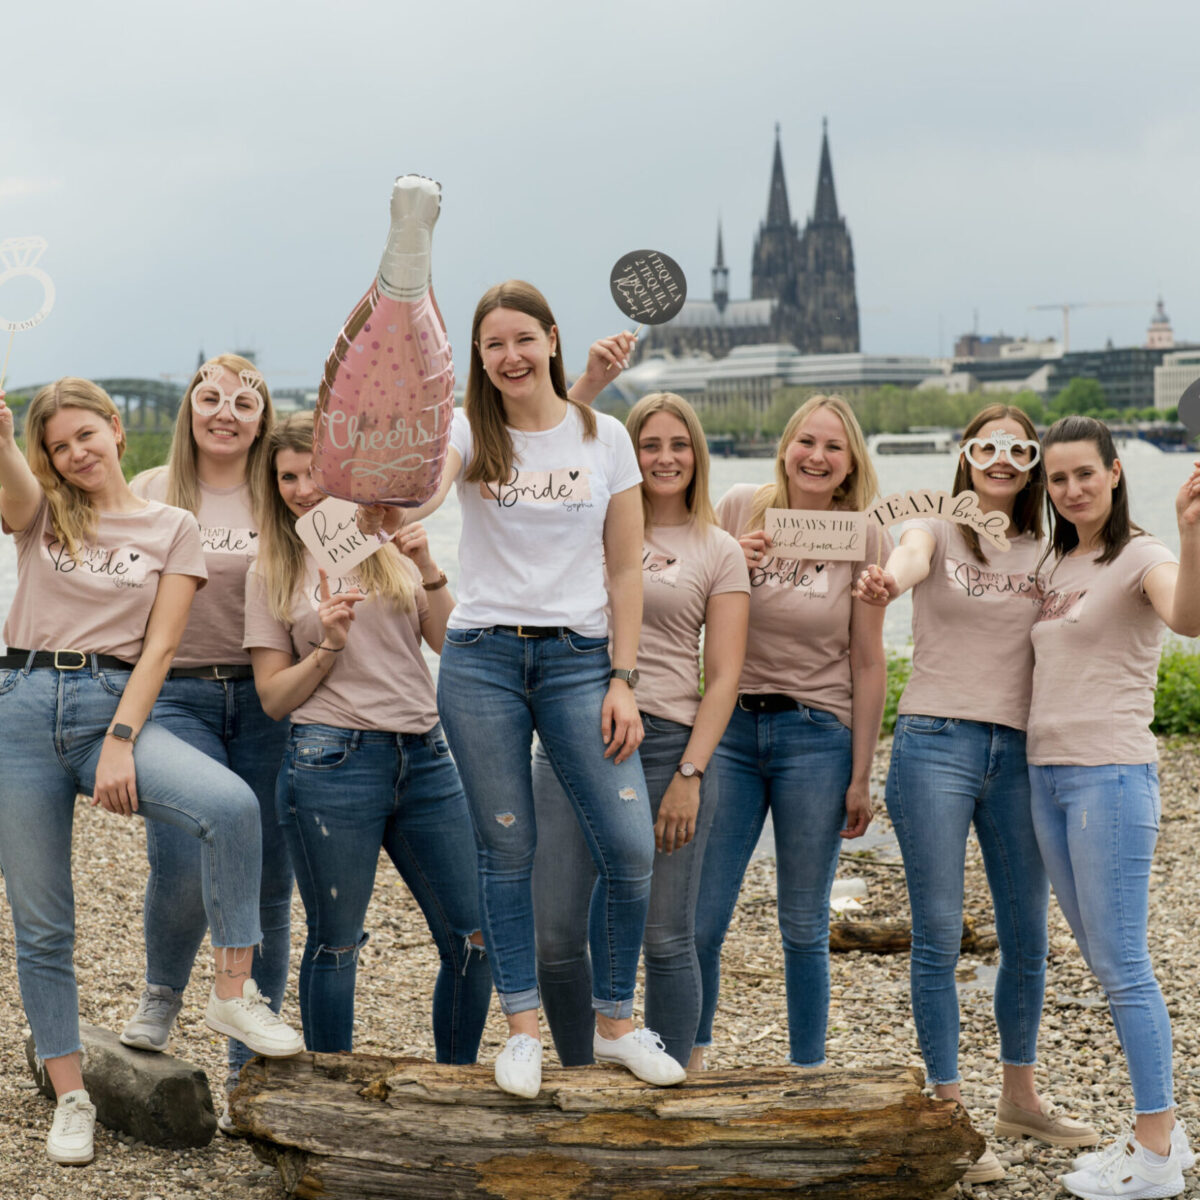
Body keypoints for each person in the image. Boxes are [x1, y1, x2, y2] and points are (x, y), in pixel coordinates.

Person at [373, 282, 683, 1097]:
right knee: (506, 847)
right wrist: (399, 492)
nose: (509, 356)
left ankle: (616, 1022)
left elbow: (625, 567)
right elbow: (434, 484)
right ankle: (521, 1031)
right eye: (492, 345)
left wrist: (625, 676)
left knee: (628, 847)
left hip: (582, 662)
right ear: (478, 359)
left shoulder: (605, 436)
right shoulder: (471, 433)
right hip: (481, 660)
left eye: (522, 339)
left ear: (551, 339)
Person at [0, 381, 302, 1168]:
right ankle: (72, 1096)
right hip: (22, 703)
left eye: (86, 435)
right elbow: (14, 486)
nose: (77, 452)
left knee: (232, 807)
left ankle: (232, 991)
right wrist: (3, 438)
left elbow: (163, 645)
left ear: (114, 430)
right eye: (59, 445)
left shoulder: (173, 526)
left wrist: (121, 739)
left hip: (114, 699)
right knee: (43, 922)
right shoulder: (42, 513)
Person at [854, 405, 1098, 1185]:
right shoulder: (934, 523)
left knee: (1028, 933)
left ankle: (1020, 1097)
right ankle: (950, 1113)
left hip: (1024, 750)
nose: (1002, 459)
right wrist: (886, 580)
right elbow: (911, 559)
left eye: (1018, 449)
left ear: (1032, 463)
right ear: (966, 454)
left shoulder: (1051, 545)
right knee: (936, 931)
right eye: (986, 446)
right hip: (935, 743)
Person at [242, 412, 491, 1061]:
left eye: (314, 473)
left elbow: (451, 645)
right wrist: (328, 644)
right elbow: (273, 698)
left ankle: (454, 1089)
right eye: (288, 477)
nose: (302, 488)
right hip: (329, 761)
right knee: (337, 943)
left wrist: (429, 566)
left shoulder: (387, 543)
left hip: (426, 755)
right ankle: (334, 1097)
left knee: (474, 938)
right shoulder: (271, 568)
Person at [531, 392, 750, 1068]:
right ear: (627, 454)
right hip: (576, 738)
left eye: (678, 445)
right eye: (649, 445)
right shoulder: (590, 527)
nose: (664, 458)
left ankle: (672, 1092)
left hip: (665, 749)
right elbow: (547, 443)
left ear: (697, 456)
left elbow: (725, 678)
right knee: (559, 935)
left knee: (666, 937)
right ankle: (578, 1080)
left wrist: (691, 774)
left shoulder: (719, 550)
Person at [1027, 417, 1199, 1200]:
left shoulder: (1145, 555)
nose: (1070, 491)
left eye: (1084, 476)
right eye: (1057, 479)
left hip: (1111, 779)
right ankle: (1156, 1130)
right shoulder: (1057, 559)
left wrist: (1193, 534)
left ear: (1116, 472)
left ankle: (1157, 1150)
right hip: (1047, 779)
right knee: (1102, 958)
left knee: (1126, 965)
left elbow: (1188, 616)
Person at [119, 355, 292, 1128]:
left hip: (269, 696)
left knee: (266, 879)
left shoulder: (283, 493)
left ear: (262, 419)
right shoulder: (151, 491)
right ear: (191, 407)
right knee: (183, 863)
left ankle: (248, 1064)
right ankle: (162, 991)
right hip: (178, 696)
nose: (226, 412)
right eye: (212, 397)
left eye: (244, 401)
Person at [693, 394, 887, 1071]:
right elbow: (683, 609)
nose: (817, 456)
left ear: (849, 463)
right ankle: (691, 1058)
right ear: (785, 447)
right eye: (807, 441)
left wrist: (863, 774)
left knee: (803, 924)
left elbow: (867, 659)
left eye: (834, 447)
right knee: (701, 919)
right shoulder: (741, 508)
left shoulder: (864, 535)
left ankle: (808, 1071)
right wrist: (728, 567)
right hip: (732, 732)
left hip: (817, 737)